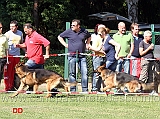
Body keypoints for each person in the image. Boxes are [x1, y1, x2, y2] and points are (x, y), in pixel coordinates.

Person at [15, 23, 53, 93]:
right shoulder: (27, 36)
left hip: (36, 59)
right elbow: (26, 44)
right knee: (44, 77)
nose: (25, 32)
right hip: (35, 60)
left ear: (30, 29)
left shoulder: (37, 36)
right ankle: (54, 90)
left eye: (26, 31)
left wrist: (47, 54)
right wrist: (19, 46)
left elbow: (47, 43)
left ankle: (19, 87)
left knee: (22, 70)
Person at [58, 19, 91, 92]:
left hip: (82, 56)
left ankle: (85, 90)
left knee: (84, 73)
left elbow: (89, 36)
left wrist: (87, 44)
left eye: (73, 25)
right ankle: (73, 90)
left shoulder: (84, 31)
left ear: (78, 26)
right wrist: (65, 45)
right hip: (72, 56)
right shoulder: (69, 31)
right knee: (72, 73)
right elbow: (59, 37)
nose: (72, 26)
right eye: (71, 25)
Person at [4, 20, 24, 91]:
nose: (11, 28)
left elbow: (22, 43)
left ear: (17, 27)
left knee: (18, 71)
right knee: (9, 72)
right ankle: (8, 87)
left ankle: (17, 87)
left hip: (17, 55)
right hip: (9, 55)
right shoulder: (7, 34)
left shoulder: (20, 33)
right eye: (10, 27)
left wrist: (26, 52)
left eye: (13, 26)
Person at [139, 30, 157, 95]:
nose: (151, 37)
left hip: (151, 60)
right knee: (143, 76)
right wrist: (149, 48)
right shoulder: (142, 43)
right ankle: (139, 89)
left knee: (151, 76)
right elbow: (141, 53)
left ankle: (150, 90)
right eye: (150, 36)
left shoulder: (150, 43)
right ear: (146, 37)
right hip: (145, 60)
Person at [90, 24, 106, 92]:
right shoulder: (96, 38)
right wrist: (102, 51)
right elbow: (94, 48)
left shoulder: (105, 38)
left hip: (104, 58)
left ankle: (99, 89)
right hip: (97, 58)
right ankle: (95, 89)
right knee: (96, 74)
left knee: (102, 74)